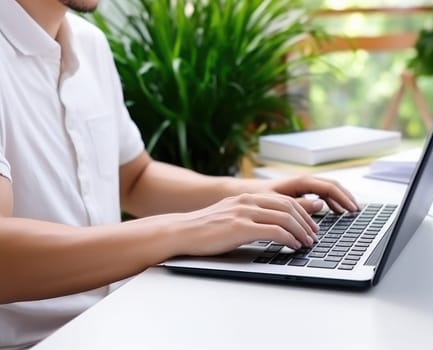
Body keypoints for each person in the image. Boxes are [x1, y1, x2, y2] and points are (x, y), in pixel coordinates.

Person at [0, 0, 359, 348]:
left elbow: (135, 179)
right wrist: (185, 229)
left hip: (121, 316)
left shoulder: (88, 43)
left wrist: (256, 195)